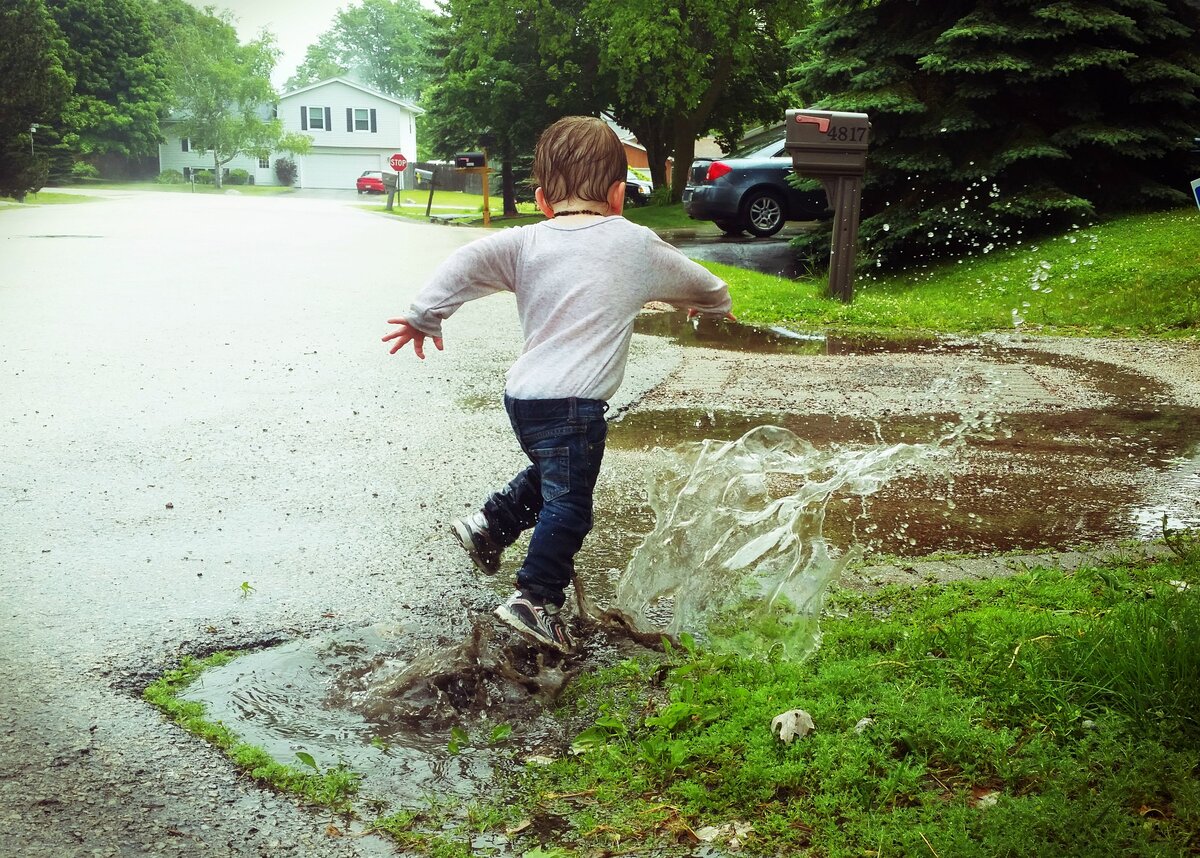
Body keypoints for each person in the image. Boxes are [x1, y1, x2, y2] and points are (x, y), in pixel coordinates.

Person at [382, 116, 733, 653]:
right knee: (570, 505)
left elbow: (464, 263)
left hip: (523, 401)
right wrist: (709, 305)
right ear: (619, 195)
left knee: (552, 475)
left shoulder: (526, 242)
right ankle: (536, 599)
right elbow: (706, 285)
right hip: (575, 405)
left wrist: (425, 315)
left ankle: (489, 525)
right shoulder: (635, 244)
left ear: (544, 200)